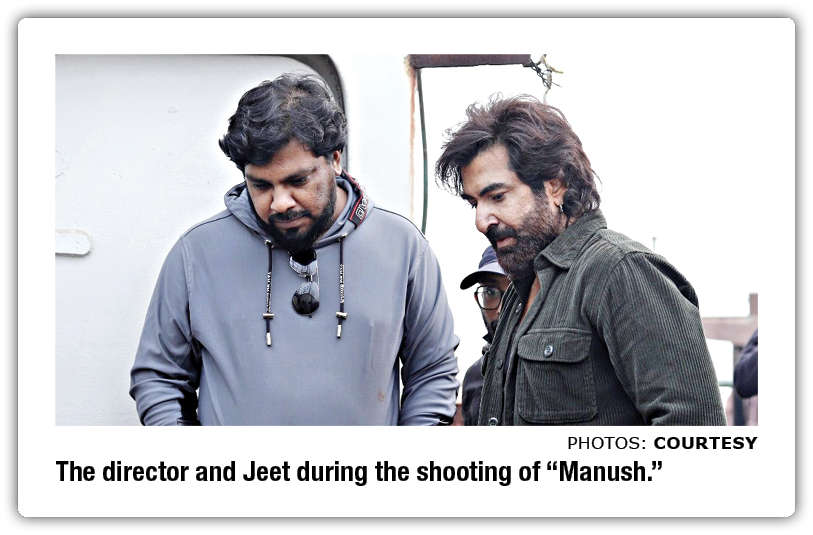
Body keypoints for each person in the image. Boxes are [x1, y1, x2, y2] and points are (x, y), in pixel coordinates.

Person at [130, 73, 459, 425]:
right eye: (261, 186)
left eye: (297, 181)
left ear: (335, 159)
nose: (280, 203)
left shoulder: (403, 247)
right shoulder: (195, 254)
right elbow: (159, 378)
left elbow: (433, 371)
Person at [436, 95, 725, 425]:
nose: (481, 220)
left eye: (497, 196)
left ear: (555, 185)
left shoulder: (620, 271)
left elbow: (695, 430)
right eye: (474, 203)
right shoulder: (519, 290)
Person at [459, 246, 509, 426]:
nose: (501, 309)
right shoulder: (474, 378)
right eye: (490, 292)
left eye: (515, 290)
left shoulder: (552, 373)